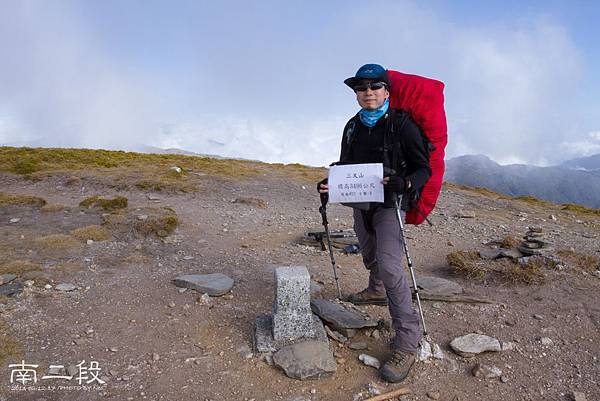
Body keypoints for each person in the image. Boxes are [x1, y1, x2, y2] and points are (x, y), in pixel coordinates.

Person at [318, 63, 431, 383]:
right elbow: (346, 165)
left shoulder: (402, 125)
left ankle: (407, 341)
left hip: (390, 204)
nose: (368, 92)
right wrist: (330, 182)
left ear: (386, 91)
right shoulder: (352, 126)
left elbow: (423, 169)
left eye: (375, 86)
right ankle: (375, 288)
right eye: (361, 88)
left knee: (390, 264)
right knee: (369, 255)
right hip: (361, 202)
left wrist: (406, 184)